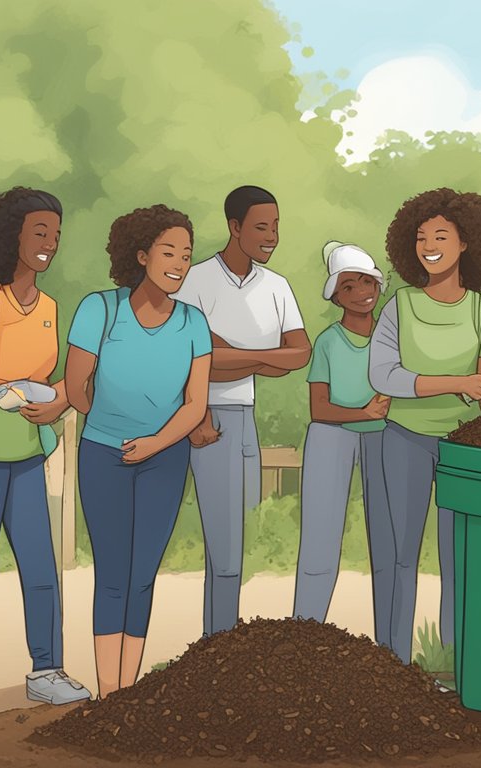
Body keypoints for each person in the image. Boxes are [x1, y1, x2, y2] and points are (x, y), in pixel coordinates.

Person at [0, 187, 90, 718]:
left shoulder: (49, 307)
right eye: (39, 232)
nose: (49, 242)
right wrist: (6, 389)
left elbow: (48, 381)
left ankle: (46, 671)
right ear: (12, 236)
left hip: (27, 458)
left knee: (41, 570)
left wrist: (45, 398)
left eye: (54, 232)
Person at [64, 205, 212, 697]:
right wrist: (109, 429)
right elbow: (76, 386)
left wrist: (153, 443)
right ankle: (109, 690)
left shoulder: (193, 322)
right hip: (103, 456)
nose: (179, 263)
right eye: (169, 252)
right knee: (112, 571)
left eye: (187, 255)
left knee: (143, 572)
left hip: (165, 458)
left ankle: (127, 691)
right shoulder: (99, 309)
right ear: (142, 254)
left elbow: (195, 406)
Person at [369, 188, 481, 665]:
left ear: (467, 243)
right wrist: (459, 382)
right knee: (400, 556)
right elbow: (383, 376)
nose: (429, 245)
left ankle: (457, 663)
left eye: (441, 236)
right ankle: (393, 663)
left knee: (460, 559)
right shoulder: (399, 306)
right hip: (403, 441)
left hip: (464, 449)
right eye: (422, 237)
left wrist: (439, 384)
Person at [172, 186, 311, 637]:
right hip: (199, 414)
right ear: (234, 227)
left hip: (241, 416)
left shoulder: (277, 287)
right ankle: (215, 647)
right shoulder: (194, 280)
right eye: (260, 227)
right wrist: (264, 357)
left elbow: (301, 353)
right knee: (220, 546)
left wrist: (230, 354)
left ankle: (221, 643)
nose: (271, 237)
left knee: (236, 537)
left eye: (276, 227)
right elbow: (188, 359)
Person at [292, 241, 392, 642]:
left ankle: (390, 644)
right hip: (331, 437)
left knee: (388, 540)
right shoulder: (329, 342)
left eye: (367, 282)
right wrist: (362, 413)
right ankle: (305, 634)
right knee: (320, 537)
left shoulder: (392, 338)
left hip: (385, 439)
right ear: (336, 295)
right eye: (349, 286)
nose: (362, 292)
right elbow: (319, 407)